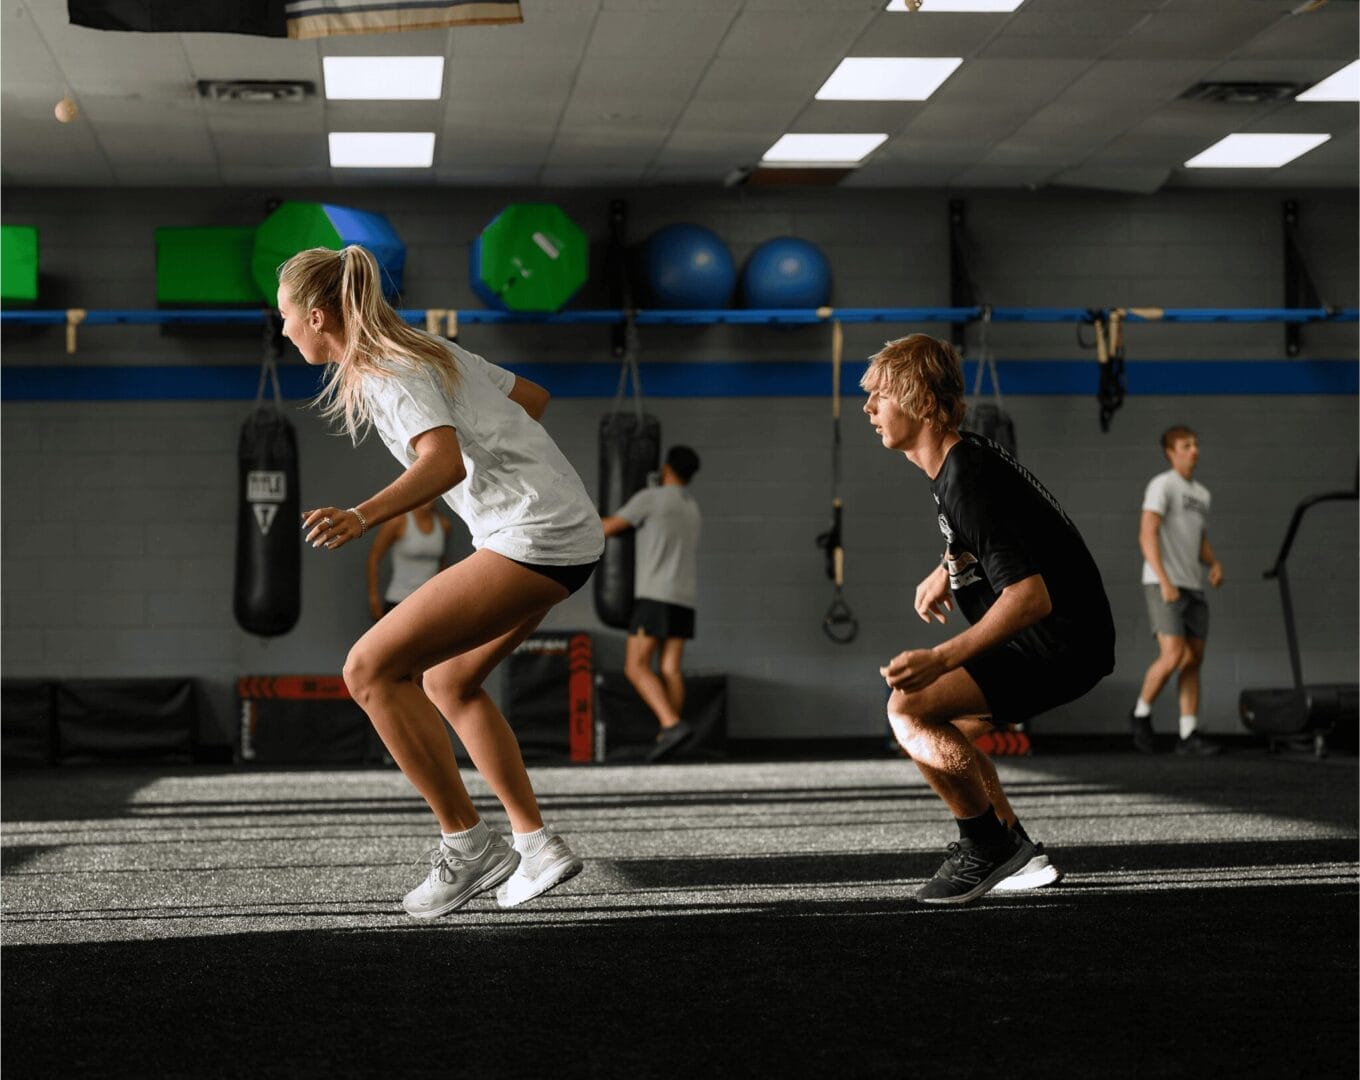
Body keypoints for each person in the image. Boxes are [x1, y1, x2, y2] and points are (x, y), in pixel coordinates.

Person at [279, 244, 603, 918]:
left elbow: (444, 463)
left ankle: (468, 843)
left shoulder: (385, 371)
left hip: (533, 535)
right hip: (560, 531)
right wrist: (502, 462)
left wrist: (363, 515)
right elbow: (531, 400)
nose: (282, 331)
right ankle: (534, 844)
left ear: (316, 316)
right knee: (448, 682)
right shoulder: (429, 350)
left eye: (285, 317)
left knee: (367, 668)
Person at [861, 333, 1115, 905]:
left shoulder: (964, 478)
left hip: (1055, 641)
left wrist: (941, 658)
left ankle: (986, 847)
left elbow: (1029, 596)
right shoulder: (963, 460)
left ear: (922, 401)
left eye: (880, 396)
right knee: (950, 734)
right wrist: (946, 566)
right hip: (1068, 637)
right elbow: (1007, 533)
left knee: (910, 708)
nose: (869, 409)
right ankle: (1016, 851)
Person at [601, 446, 702, 762]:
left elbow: (608, 528)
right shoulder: (691, 507)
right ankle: (671, 738)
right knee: (671, 668)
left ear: (667, 467)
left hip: (654, 595)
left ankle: (670, 724)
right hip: (684, 598)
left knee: (636, 666)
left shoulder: (652, 497)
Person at [1130, 425, 1224, 756]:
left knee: (1193, 660)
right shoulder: (1162, 485)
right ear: (1172, 452)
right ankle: (1140, 714)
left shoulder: (1202, 494)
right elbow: (1147, 534)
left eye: (1196, 444)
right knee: (1173, 655)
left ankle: (1188, 735)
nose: (1194, 450)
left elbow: (1199, 540)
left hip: (1192, 585)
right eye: (1187, 445)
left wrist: (1213, 564)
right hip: (1163, 584)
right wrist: (1165, 580)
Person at [366, 499, 451, 620]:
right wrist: (373, 598)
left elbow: (443, 564)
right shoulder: (398, 521)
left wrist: (446, 596)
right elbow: (374, 556)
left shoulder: (443, 524)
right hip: (399, 601)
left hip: (430, 603)